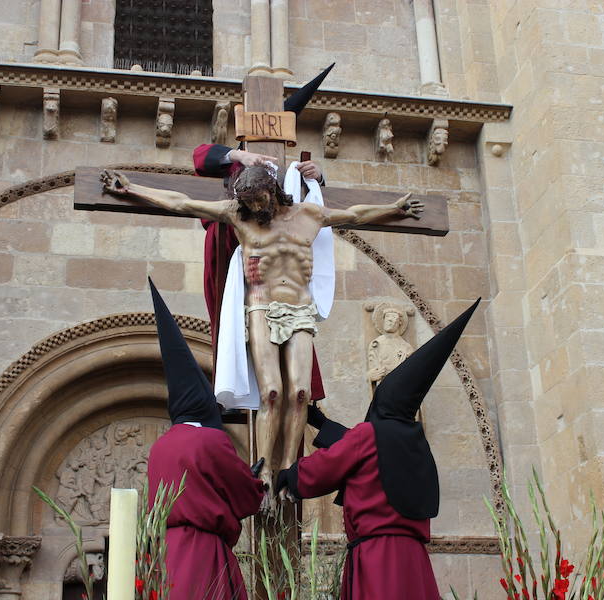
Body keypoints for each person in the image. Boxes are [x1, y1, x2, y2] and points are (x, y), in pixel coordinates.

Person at [102, 168, 423, 507]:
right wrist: (132, 188)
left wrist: (396, 207)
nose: (255, 208)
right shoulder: (238, 215)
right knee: (272, 392)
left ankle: (289, 468)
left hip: (300, 308)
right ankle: (265, 470)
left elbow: (356, 214)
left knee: (299, 393)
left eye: (260, 200)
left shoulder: (309, 215)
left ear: (273, 191)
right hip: (260, 306)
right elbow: (182, 203)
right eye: (249, 203)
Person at [275, 299, 480, 599]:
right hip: (414, 562)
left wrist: (288, 477)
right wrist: (321, 423)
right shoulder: (414, 443)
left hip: (377, 559)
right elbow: (369, 457)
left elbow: (334, 463)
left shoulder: (370, 435)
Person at [192, 64, 335, 404]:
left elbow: (306, 209)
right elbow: (200, 157)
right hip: (236, 256)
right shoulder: (236, 166)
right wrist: (238, 154)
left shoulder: (286, 174)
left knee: (290, 373)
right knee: (236, 332)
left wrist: (315, 177)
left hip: (281, 278)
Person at [145, 279, 266, 599]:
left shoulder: (161, 446)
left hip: (164, 557)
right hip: (202, 553)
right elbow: (246, 496)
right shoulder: (209, 440)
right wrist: (254, 480)